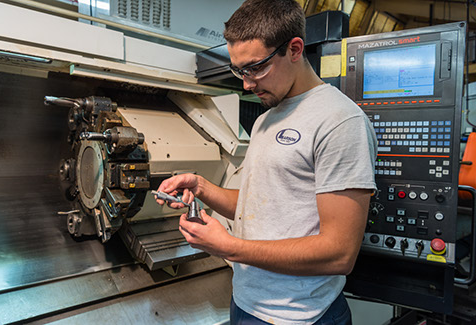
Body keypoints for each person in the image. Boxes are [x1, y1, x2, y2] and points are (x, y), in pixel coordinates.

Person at [155, 0, 377, 323]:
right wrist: (200, 185)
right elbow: (258, 208)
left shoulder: (340, 121)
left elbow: (340, 253)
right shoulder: (265, 120)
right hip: (246, 304)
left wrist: (230, 246)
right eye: (239, 70)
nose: (246, 83)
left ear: (295, 49)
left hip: (300, 316)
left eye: (256, 67)